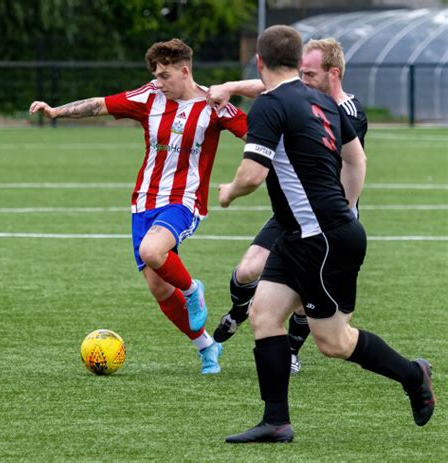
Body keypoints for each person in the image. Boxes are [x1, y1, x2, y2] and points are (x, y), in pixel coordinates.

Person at [217, 25, 434, 443]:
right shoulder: (321, 101)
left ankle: (412, 374)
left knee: (333, 342)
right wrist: (347, 208)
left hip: (322, 239)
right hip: (305, 234)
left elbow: (251, 176)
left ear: (260, 63)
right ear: (299, 64)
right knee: (264, 315)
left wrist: (229, 192)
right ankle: (276, 421)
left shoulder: (268, 105)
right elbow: (356, 160)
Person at [29, 38, 247, 374]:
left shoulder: (213, 105)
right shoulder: (150, 97)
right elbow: (100, 104)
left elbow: (255, 133)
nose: (159, 82)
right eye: (156, 75)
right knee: (159, 286)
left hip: (184, 200)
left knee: (151, 251)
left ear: (184, 70)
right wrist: (57, 111)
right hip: (144, 202)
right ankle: (206, 347)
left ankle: (193, 290)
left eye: (164, 75)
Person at [207, 38, 367, 376]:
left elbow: (354, 162)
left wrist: (346, 208)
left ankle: (291, 349)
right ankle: (240, 311)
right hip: (292, 212)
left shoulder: (344, 111)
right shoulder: (303, 96)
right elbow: (274, 86)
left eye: (309, 74)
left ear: (332, 74)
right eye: (301, 72)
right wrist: (231, 87)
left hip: (327, 219)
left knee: (308, 308)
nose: (302, 80)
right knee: (249, 271)